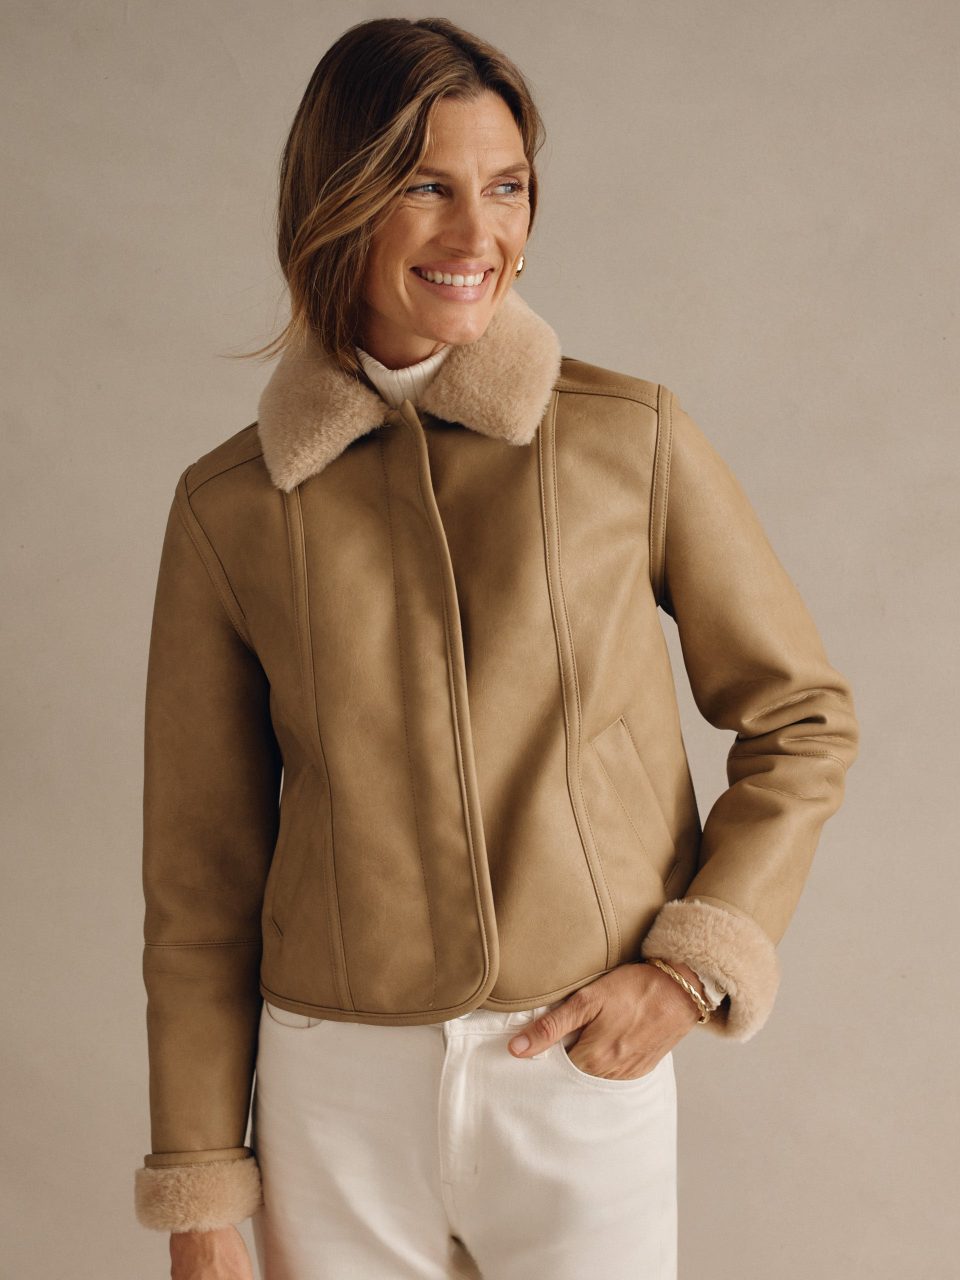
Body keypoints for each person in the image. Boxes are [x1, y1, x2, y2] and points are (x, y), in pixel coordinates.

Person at [132, 16, 859, 1280]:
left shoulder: (625, 438)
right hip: (331, 1094)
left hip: (576, 1069)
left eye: (507, 186)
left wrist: (689, 970)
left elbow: (801, 717)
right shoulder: (231, 507)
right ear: (337, 203)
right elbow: (199, 876)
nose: (480, 233)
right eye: (427, 187)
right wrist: (200, 1187)